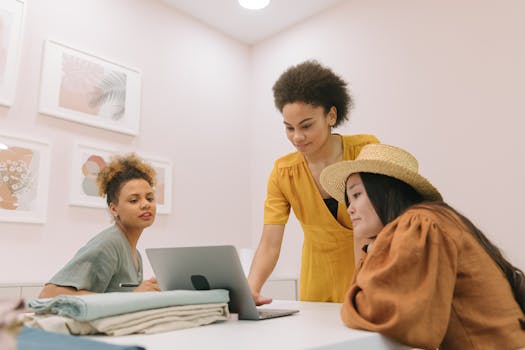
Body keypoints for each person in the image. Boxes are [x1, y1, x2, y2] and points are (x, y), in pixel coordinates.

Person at [320, 143, 525, 349]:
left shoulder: (419, 224)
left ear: (386, 192)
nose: (349, 209)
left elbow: (375, 309)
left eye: (356, 195)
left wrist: (372, 251)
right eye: (348, 200)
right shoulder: (431, 219)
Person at [247, 60, 379, 304]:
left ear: (331, 115)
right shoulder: (283, 172)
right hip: (315, 281)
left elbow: (378, 224)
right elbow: (269, 244)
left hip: (368, 273)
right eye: (289, 128)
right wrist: (250, 290)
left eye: (306, 125)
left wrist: (362, 284)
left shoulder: (366, 151)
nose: (297, 137)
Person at [39, 153, 161, 298]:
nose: (146, 204)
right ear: (114, 209)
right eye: (134, 200)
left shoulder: (135, 254)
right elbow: (48, 294)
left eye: (149, 198)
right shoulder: (109, 244)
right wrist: (133, 296)